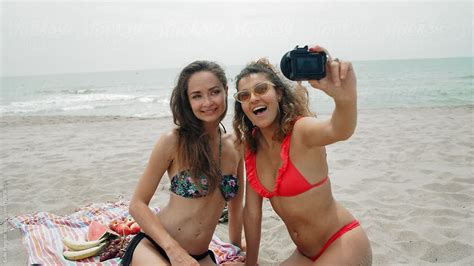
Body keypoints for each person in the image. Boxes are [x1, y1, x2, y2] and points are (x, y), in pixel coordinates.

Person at [232, 45, 372, 265]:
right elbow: (251, 213)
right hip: (304, 254)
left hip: (342, 242)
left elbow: (339, 129)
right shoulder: (252, 147)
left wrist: (345, 99)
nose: (253, 98)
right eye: (244, 95)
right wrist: (251, 263)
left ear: (278, 92)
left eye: (261, 89)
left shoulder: (300, 131)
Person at [122, 61, 244, 265]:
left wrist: (236, 250)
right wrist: (174, 251)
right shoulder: (173, 141)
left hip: (200, 256)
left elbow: (236, 207)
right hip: (156, 247)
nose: (207, 102)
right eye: (197, 96)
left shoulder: (236, 146)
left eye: (214, 92)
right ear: (187, 101)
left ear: (226, 91)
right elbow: (137, 205)